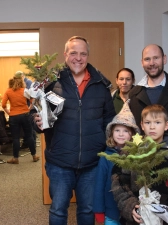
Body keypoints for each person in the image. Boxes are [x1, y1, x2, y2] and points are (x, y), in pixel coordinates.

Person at [33, 36, 116, 224]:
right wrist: (35, 121)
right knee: (58, 210)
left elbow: (109, 120)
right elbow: (35, 113)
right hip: (59, 162)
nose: (78, 58)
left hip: (92, 163)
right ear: (65, 55)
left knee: (87, 210)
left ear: (88, 56)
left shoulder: (101, 85)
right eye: (73, 53)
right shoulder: (51, 82)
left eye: (83, 53)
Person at [111, 104, 168, 225]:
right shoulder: (131, 152)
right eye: (147, 122)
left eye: (157, 123)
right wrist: (129, 205)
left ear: (166, 125)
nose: (152, 127)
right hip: (137, 216)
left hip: (166, 219)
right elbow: (119, 182)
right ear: (142, 125)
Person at [93, 101, 140, 225]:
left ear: (132, 135)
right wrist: (99, 210)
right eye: (117, 130)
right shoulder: (106, 157)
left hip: (132, 211)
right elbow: (99, 185)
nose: (120, 134)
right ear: (111, 133)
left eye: (125, 131)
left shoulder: (136, 156)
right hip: (111, 211)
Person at [2, 76, 40, 164]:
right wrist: (29, 108)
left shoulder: (8, 91)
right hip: (25, 115)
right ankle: (34, 156)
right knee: (29, 135)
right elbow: (32, 101)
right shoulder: (24, 90)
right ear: (21, 82)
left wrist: (9, 113)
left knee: (15, 138)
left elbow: (3, 104)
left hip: (14, 117)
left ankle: (15, 158)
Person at [14, 71, 37, 149]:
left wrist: (30, 107)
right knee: (27, 127)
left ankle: (32, 143)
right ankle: (27, 143)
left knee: (30, 127)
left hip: (29, 107)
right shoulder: (24, 82)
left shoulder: (28, 82)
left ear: (22, 76)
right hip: (26, 107)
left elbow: (31, 96)